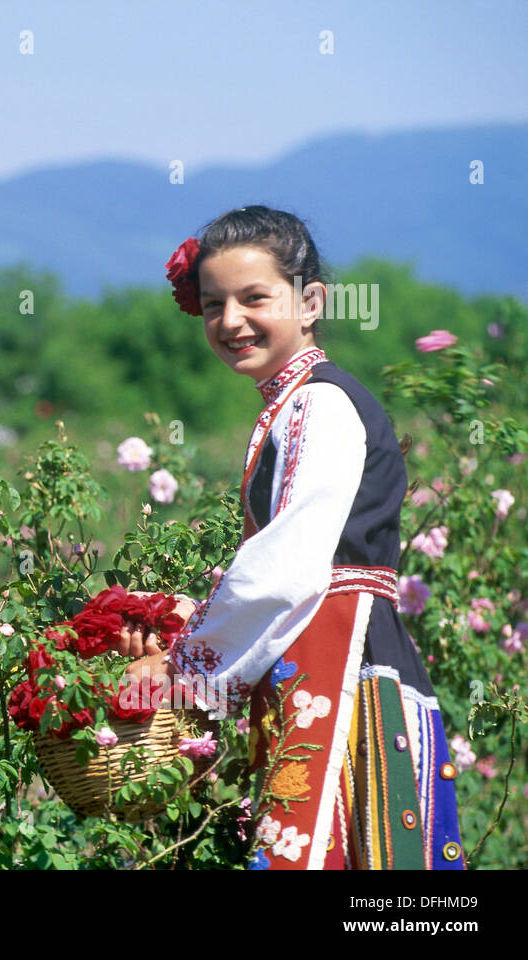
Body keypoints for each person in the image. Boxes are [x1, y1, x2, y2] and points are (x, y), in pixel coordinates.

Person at [135, 206, 464, 870]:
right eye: (213, 304)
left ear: (309, 301)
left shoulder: (321, 403)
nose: (231, 321)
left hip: (342, 662)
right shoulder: (294, 403)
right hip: (324, 658)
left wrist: (180, 669)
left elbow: (286, 566)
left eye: (255, 297)